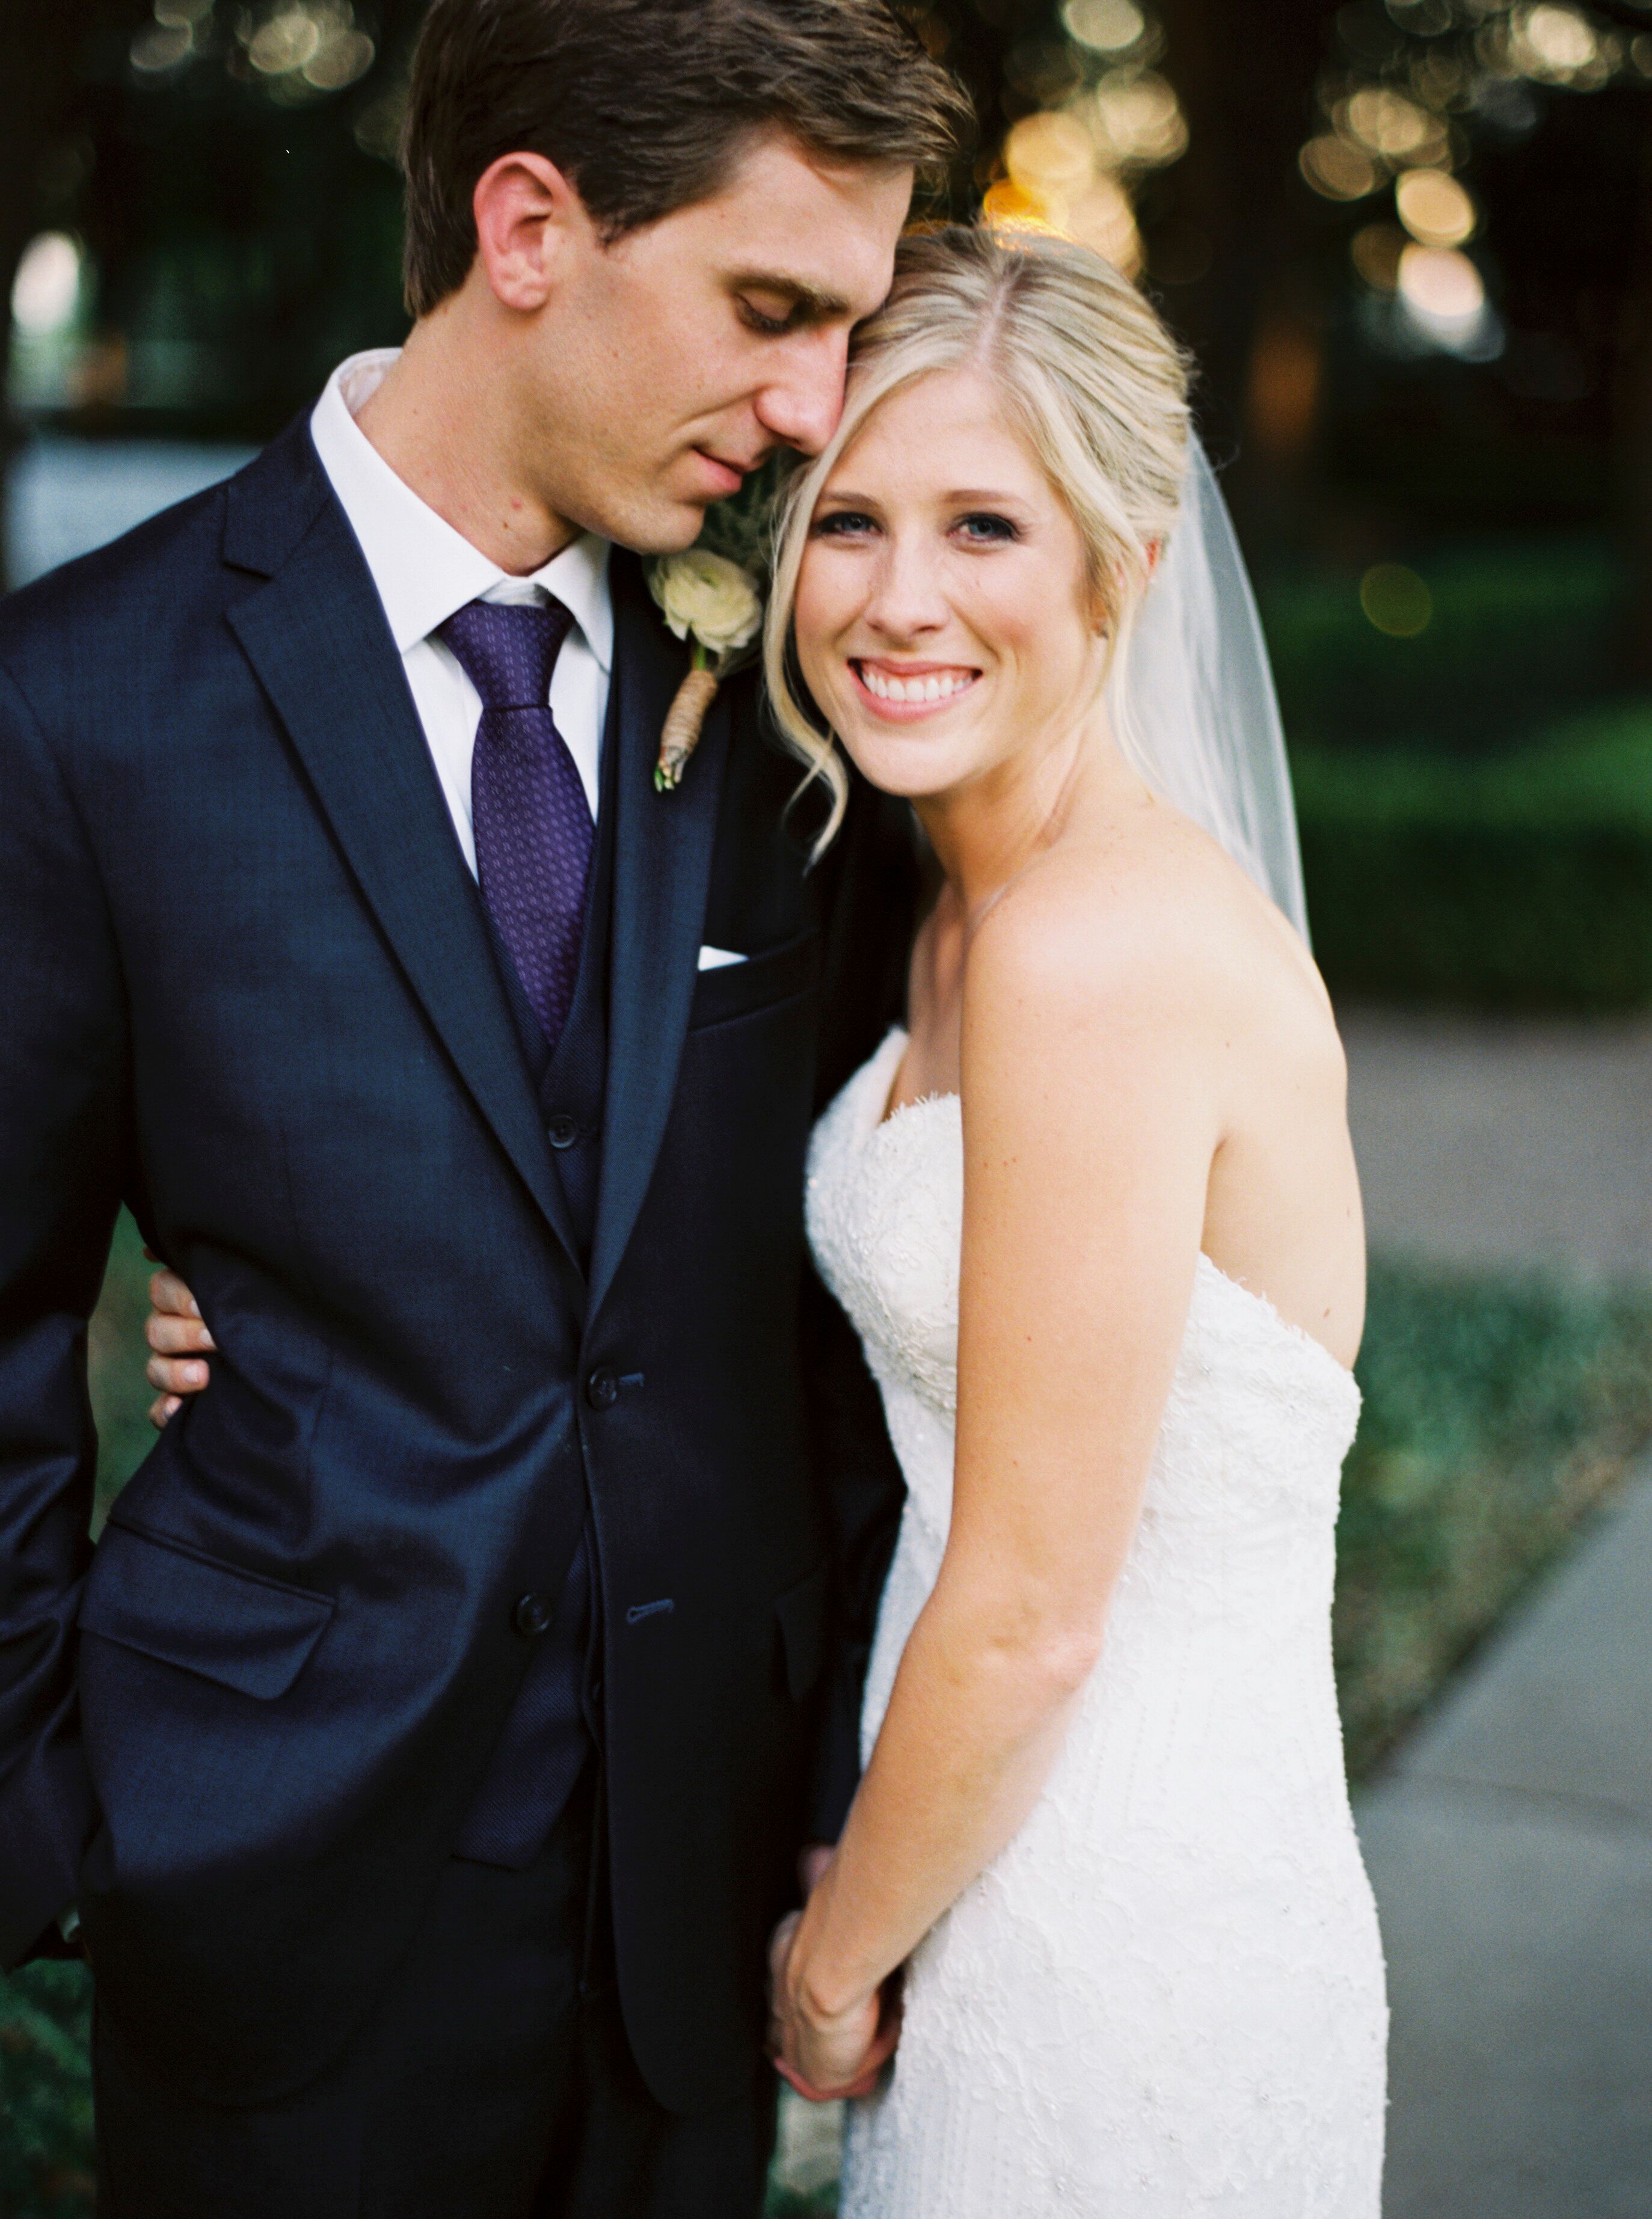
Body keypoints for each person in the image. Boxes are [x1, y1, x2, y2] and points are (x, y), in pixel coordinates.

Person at [0, 4, 971, 2212]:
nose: (816, 408)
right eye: (769, 308)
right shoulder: (80, 706)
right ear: (529, 225)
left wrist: (830, 1775)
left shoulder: (802, 700)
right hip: (269, 1898)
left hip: (696, 1908)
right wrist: (57, 1819)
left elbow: (819, 1286)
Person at [759, 224, 1387, 2212]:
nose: (896, 598)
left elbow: (1031, 1610)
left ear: (1122, 565)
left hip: (1119, 1916)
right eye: (846, 522)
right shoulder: (950, 909)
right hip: (987, 1843)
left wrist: (828, 1958)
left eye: (983, 528)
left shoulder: (1093, 950)